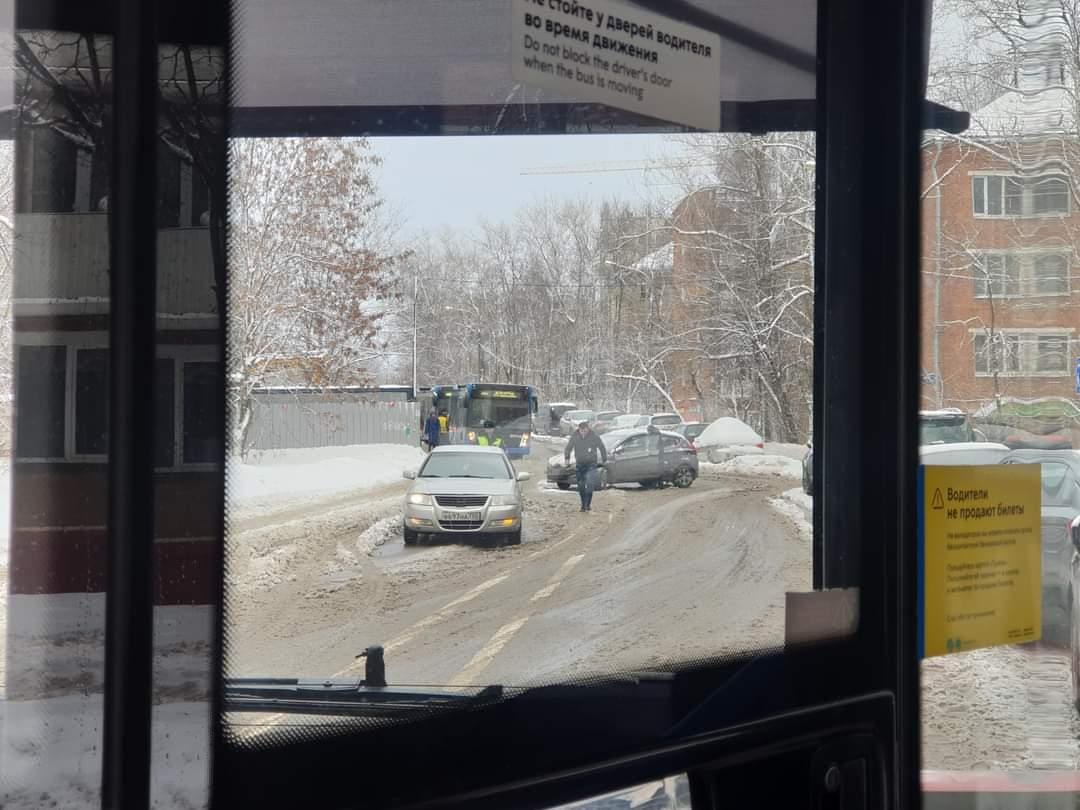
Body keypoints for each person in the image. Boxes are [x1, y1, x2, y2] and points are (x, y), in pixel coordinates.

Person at [565, 421, 606, 513]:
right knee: (581, 485)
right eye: (581, 431)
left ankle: (588, 504)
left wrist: (604, 459)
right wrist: (567, 459)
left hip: (591, 464)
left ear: (588, 429)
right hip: (580, 464)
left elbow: (601, 447)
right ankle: (583, 504)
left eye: (585, 430)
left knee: (590, 483)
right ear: (579, 430)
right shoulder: (575, 436)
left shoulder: (593, 436)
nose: (583, 432)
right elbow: (568, 448)